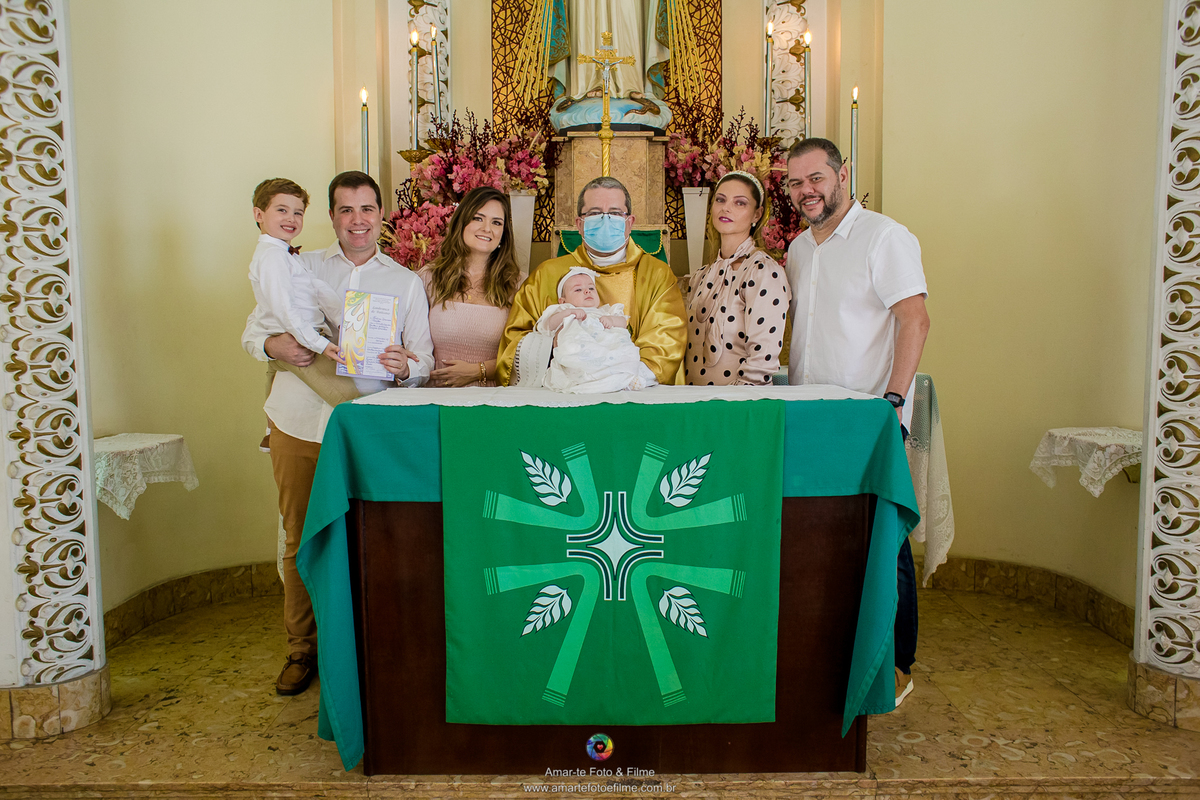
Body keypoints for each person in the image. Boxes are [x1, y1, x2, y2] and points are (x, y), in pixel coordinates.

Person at [241, 171, 434, 696]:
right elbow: (252, 332)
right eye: (346, 210)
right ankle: (302, 648)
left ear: (381, 215)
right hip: (299, 420)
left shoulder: (404, 282)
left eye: (367, 209)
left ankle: (368, 645)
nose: (357, 220)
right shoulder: (294, 264)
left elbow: (425, 359)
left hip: (367, 430)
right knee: (301, 534)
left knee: (368, 535)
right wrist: (273, 348)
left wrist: (404, 365)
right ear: (331, 216)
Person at [784, 138, 930, 708]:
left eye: (816, 178)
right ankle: (845, 649)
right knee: (828, 533)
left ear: (843, 175)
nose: (806, 191)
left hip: (868, 415)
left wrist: (891, 400)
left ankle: (896, 663)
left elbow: (914, 320)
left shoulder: (885, 237)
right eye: (795, 183)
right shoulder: (798, 248)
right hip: (810, 415)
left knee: (883, 538)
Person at [497, 176, 685, 387]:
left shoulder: (656, 274)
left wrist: (616, 381)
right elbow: (514, 340)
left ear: (629, 222)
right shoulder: (547, 274)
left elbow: (666, 341)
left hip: (633, 397)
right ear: (579, 224)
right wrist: (560, 352)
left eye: (614, 213)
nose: (605, 220)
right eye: (595, 213)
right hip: (565, 396)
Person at [684, 170, 790, 386]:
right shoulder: (700, 276)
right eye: (720, 200)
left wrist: (733, 411)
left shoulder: (763, 271)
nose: (726, 208)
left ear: (757, 214)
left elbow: (761, 362)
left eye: (740, 203)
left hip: (738, 408)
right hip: (692, 406)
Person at [418, 187, 521, 387]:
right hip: (436, 399)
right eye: (478, 218)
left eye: (496, 222)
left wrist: (477, 371)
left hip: (493, 403)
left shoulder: (518, 284)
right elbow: (412, 345)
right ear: (461, 222)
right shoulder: (428, 278)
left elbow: (526, 354)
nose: (487, 229)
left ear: (504, 234)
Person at [536, 267, 656, 393]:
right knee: (573, 352)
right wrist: (569, 312)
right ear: (563, 300)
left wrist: (611, 320)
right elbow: (547, 326)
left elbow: (623, 324)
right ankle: (591, 380)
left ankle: (623, 378)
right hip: (581, 349)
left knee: (625, 352)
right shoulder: (564, 310)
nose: (587, 291)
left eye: (591, 288)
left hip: (607, 348)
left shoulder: (606, 311)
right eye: (578, 289)